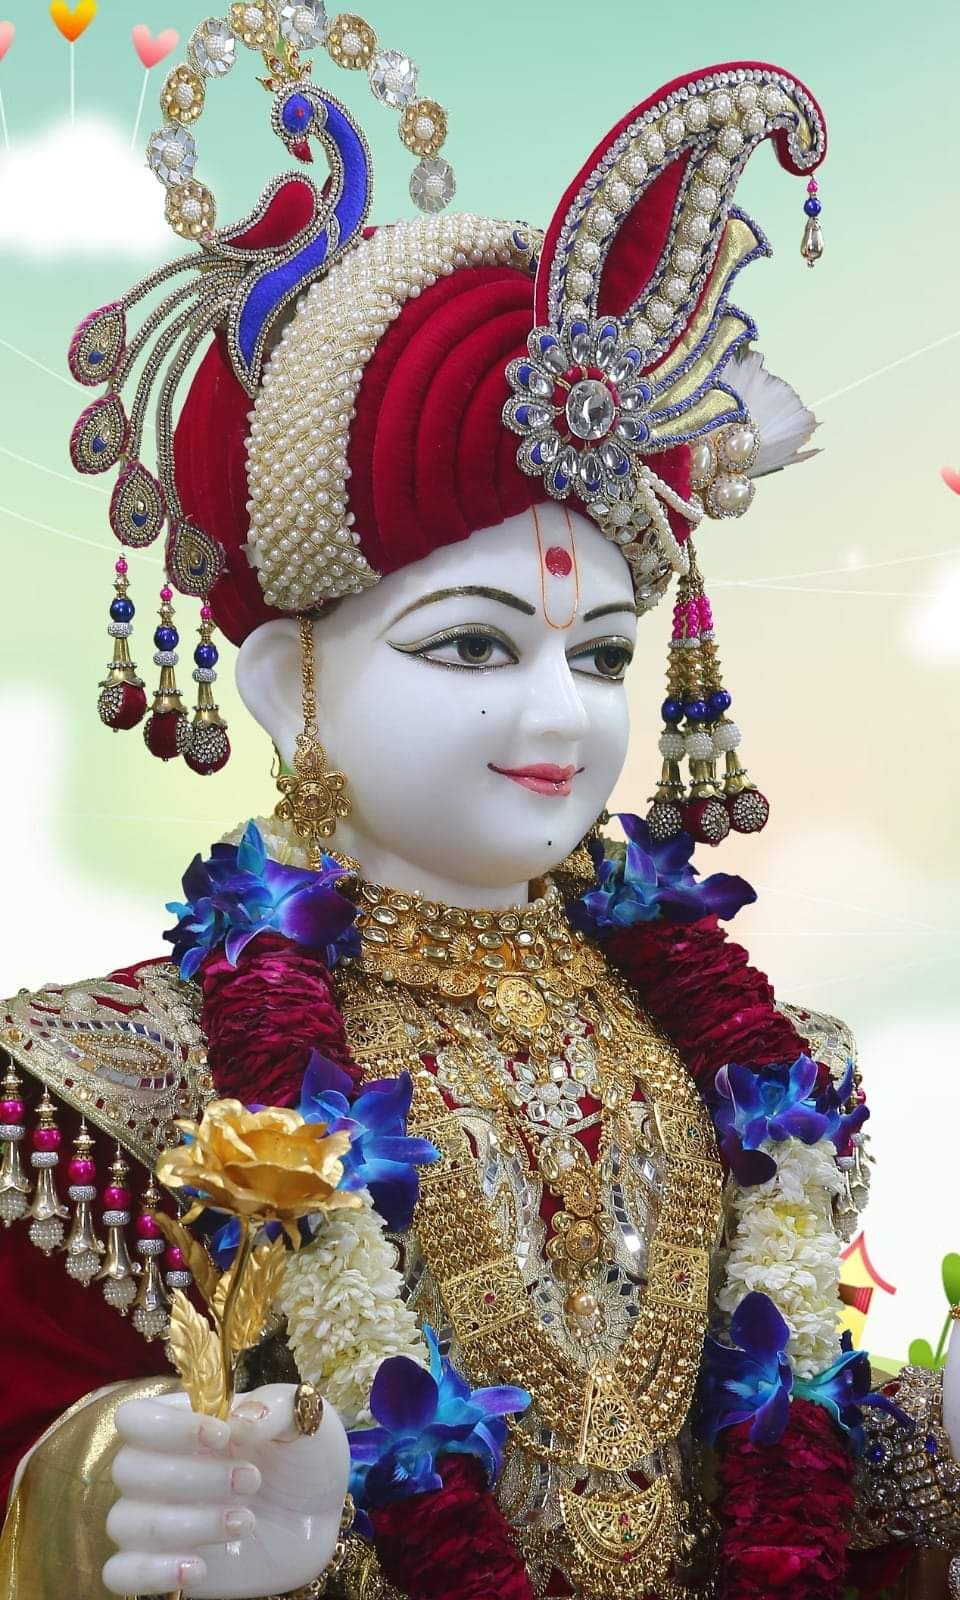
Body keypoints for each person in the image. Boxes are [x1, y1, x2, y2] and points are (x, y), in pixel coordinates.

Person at [1, 7, 958, 1598]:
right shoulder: (107, 1092)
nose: (554, 715)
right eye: (469, 646)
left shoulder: (766, 1081)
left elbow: (788, 1482)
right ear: (286, 683)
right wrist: (87, 1497)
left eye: (599, 656)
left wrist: (931, 1449)